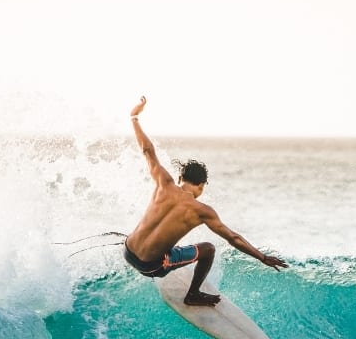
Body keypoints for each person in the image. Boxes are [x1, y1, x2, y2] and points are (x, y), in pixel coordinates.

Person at [123, 96, 288, 306]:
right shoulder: (202, 210)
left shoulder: (164, 182)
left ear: (181, 178)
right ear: (202, 185)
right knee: (208, 248)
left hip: (128, 251)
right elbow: (233, 238)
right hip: (150, 266)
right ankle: (193, 294)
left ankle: (159, 252)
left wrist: (134, 117)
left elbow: (147, 150)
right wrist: (262, 257)